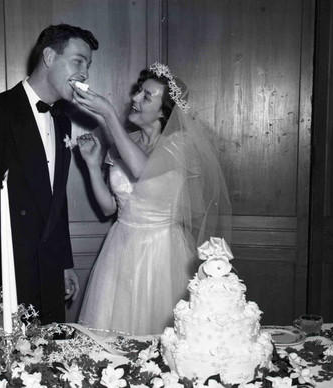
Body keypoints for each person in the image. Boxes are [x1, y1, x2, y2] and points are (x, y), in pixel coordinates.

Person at [0, 24, 99, 324]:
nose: (84, 73)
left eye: (88, 65)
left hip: (47, 272)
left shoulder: (63, 123)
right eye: (78, 61)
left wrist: (64, 263)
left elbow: (56, 202)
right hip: (4, 275)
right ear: (48, 56)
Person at [73, 63, 231, 335]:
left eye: (146, 96)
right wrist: (90, 165)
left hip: (161, 253)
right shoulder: (123, 143)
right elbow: (109, 207)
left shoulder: (180, 145)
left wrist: (108, 114)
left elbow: (141, 169)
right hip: (120, 248)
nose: (134, 98)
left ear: (163, 111)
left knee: (161, 335)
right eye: (138, 92)